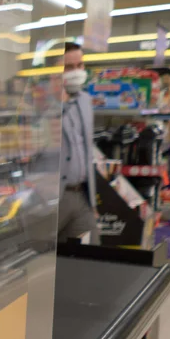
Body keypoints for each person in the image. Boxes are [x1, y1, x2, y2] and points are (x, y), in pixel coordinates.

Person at [57, 42, 98, 241]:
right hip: (55, 196)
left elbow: (86, 148)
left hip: (81, 194)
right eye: (69, 67)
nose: (77, 71)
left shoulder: (85, 100)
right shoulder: (41, 102)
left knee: (90, 255)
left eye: (80, 65)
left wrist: (93, 202)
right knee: (40, 261)